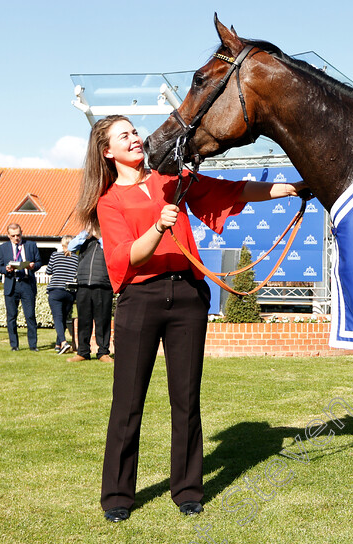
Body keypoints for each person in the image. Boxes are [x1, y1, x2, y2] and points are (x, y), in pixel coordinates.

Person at [76, 115, 306, 523]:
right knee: (128, 403)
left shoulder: (171, 178)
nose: (134, 138)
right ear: (107, 152)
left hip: (187, 296)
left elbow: (230, 191)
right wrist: (157, 226)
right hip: (139, 298)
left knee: (186, 399)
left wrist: (286, 189)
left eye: (134, 131)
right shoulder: (108, 201)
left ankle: (187, 490)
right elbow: (126, 257)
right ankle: (116, 496)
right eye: (122, 135)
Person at [67, 228, 114, 363]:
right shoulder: (84, 239)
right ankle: (83, 352)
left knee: (103, 320)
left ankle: (103, 352)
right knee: (84, 320)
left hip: (102, 284)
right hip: (83, 284)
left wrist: (99, 236)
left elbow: (110, 249)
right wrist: (85, 233)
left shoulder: (107, 237)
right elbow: (71, 246)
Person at [0, 223, 43, 351]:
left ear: (22, 233)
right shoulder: (3, 248)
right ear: (8, 235)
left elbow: (39, 262)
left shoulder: (31, 245)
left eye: (18, 235)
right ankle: (14, 345)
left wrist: (32, 266)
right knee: (11, 316)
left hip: (27, 284)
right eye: (13, 236)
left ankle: (33, 345)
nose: (16, 238)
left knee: (30, 316)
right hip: (12, 284)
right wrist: (6, 269)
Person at [46, 235, 78, 354]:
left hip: (56, 290)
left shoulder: (55, 255)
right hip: (69, 292)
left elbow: (49, 271)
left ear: (62, 244)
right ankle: (58, 344)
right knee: (64, 318)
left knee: (58, 318)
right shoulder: (76, 258)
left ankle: (63, 342)